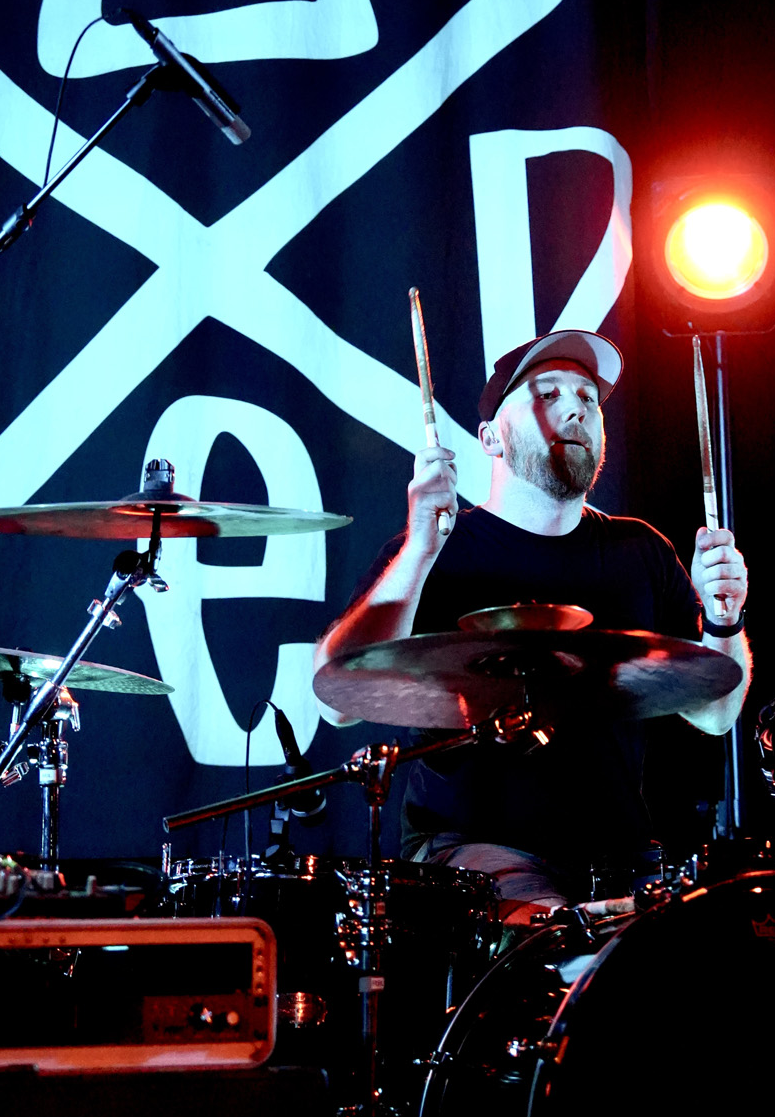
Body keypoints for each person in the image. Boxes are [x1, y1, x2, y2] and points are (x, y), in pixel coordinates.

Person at [313, 330, 751, 922]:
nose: (576, 408)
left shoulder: (641, 551)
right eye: (547, 394)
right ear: (490, 437)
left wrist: (724, 617)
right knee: (561, 946)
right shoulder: (436, 552)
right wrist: (418, 549)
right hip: (472, 855)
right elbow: (335, 703)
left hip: (621, 857)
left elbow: (716, 716)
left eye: (588, 398)